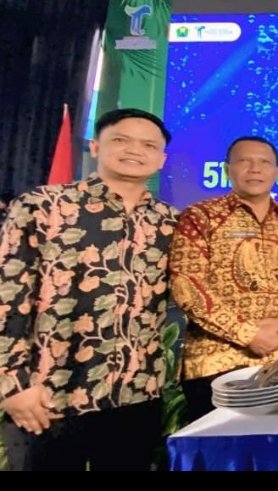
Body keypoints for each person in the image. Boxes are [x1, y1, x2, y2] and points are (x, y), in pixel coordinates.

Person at [0, 109, 179, 470]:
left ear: (161, 159)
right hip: (49, 394)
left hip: (136, 392)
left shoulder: (170, 222)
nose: (134, 150)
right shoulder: (42, 206)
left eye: (148, 145)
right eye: (121, 140)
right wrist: (12, 384)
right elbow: (7, 296)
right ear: (95, 147)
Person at [168, 136, 278, 424]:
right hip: (217, 364)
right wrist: (247, 334)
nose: (255, 169)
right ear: (227, 169)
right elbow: (188, 286)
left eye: (264, 162)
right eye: (245, 161)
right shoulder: (200, 216)